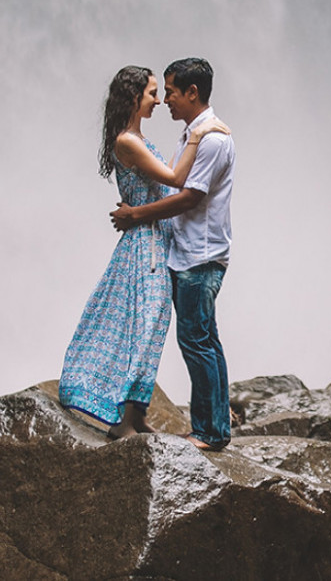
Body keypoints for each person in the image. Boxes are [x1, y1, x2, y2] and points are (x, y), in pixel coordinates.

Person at [59, 65, 228, 439]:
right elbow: (176, 180)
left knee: (151, 329)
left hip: (156, 239)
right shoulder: (129, 142)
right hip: (146, 245)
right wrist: (199, 135)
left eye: (163, 91)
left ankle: (136, 416)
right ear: (134, 97)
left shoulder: (137, 138)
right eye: (153, 92)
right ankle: (122, 421)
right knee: (144, 326)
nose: (160, 99)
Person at [111, 58, 235, 451]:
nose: (166, 101)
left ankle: (211, 431)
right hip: (186, 254)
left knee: (197, 342)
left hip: (200, 256)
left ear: (192, 93)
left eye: (171, 92)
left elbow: (189, 196)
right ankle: (211, 424)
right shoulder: (194, 135)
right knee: (203, 340)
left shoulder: (211, 138)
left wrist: (136, 215)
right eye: (160, 92)